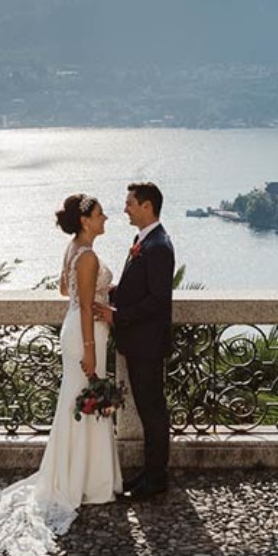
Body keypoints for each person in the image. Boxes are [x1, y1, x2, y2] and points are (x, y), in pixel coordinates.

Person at [0, 194, 122, 556]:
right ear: (85, 220)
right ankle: (86, 483)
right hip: (85, 335)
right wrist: (90, 348)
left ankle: (78, 477)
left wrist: (97, 292)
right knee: (84, 405)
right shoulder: (87, 256)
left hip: (74, 329)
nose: (105, 218)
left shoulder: (73, 249)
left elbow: (65, 290)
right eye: (100, 214)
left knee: (78, 404)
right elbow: (83, 305)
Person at [93, 181, 175, 500]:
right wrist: (116, 293)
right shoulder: (144, 240)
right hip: (140, 343)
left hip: (147, 345)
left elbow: (157, 300)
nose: (125, 209)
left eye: (130, 203)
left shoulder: (159, 246)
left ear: (146, 206)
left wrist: (117, 316)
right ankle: (149, 473)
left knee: (153, 412)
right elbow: (141, 288)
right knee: (147, 410)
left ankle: (156, 478)